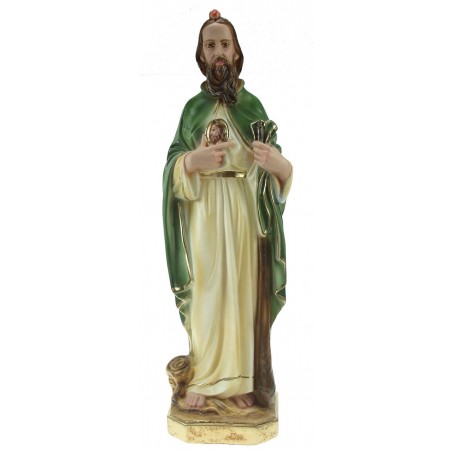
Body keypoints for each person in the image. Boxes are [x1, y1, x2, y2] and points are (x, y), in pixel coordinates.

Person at [163, 10, 292, 410]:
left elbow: (275, 168)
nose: (218, 52)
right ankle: (204, 378)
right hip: (203, 213)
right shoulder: (192, 110)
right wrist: (191, 162)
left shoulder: (252, 105)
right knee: (208, 291)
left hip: (243, 211)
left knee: (241, 293)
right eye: (211, 45)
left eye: (225, 44)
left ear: (236, 53)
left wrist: (281, 167)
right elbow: (172, 165)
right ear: (201, 55)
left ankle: (239, 383)